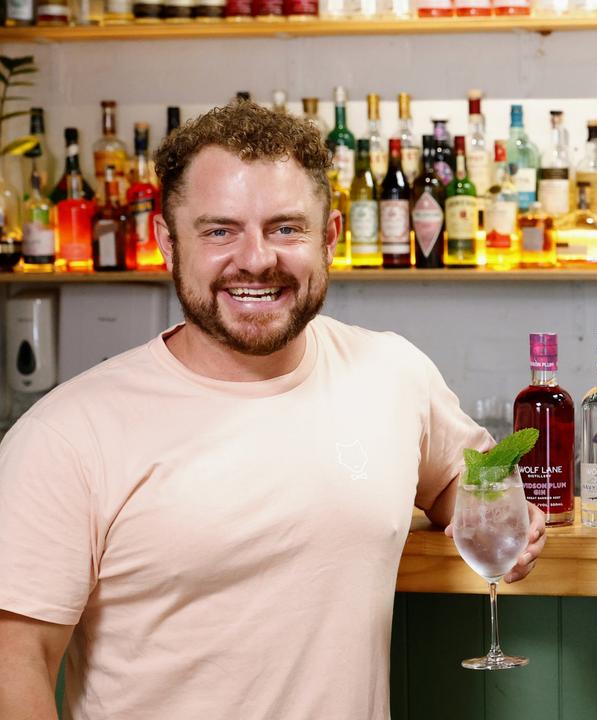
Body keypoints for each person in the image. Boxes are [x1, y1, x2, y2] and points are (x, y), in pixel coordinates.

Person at [0, 101, 546, 719]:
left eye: (286, 228)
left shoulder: (393, 374)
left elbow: (465, 480)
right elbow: (15, 666)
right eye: (218, 230)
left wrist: (506, 528)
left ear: (331, 238)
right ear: (166, 243)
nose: (257, 258)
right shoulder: (66, 435)